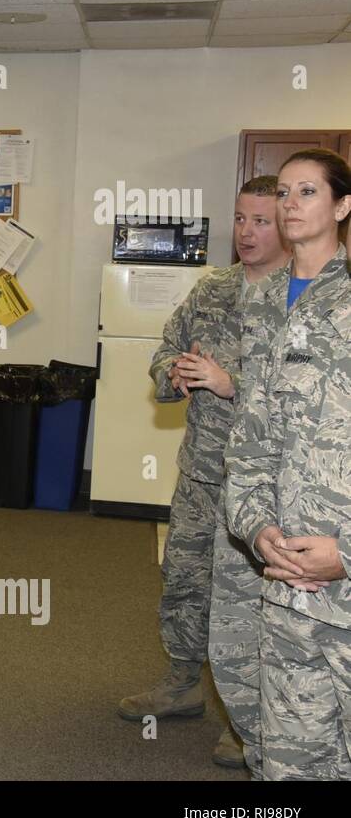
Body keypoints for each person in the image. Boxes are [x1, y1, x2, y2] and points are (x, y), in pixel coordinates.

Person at [118, 176, 289, 774]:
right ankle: (183, 683)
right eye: (240, 219)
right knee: (185, 580)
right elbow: (165, 347)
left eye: (261, 221)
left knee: (254, 604)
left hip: (267, 488)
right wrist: (178, 372)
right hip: (201, 473)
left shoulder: (302, 300)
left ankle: (255, 721)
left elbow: (305, 401)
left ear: (289, 223)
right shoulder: (213, 288)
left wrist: (228, 383)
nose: (246, 232)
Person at [225, 148, 351, 780]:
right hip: (288, 585)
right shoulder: (264, 300)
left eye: (309, 191)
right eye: (285, 192)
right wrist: (256, 529)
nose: (291, 203)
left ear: (342, 206)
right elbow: (251, 435)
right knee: (290, 764)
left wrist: (347, 551)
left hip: (345, 578)